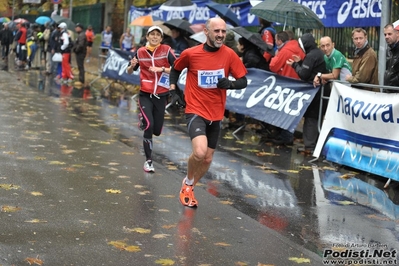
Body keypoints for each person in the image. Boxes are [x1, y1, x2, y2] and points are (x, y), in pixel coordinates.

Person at [169, 17, 248, 208]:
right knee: (200, 152)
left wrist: (230, 83)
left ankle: (189, 188)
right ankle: (188, 181)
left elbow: (243, 80)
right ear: (206, 32)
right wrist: (174, 90)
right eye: (217, 31)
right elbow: (175, 69)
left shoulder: (229, 55)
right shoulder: (191, 53)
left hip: (216, 113)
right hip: (195, 109)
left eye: (223, 31)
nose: (220, 35)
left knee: (208, 158)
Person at [126, 26, 177, 173]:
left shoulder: (166, 50)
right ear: (147, 37)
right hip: (145, 94)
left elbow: (178, 68)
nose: (154, 37)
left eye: (157, 35)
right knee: (148, 127)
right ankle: (148, 161)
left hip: (161, 95)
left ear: (161, 39)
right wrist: (132, 66)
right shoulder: (140, 52)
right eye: (152, 34)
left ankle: (145, 120)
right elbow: (129, 70)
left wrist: (161, 69)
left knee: (157, 130)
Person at [286, 33, 327, 154]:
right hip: (321, 91)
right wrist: (301, 62)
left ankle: (309, 147)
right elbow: (311, 70)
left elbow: (304, 74)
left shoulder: (311, 56)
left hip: (315, 92)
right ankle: (315, 145)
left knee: (311, 118)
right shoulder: (317, 53)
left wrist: (294, 65)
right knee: (316, 118)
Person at [268, 31, 305, 146]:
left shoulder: (284, 51)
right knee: (291, 112)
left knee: (283, 112)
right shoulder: (299, 49)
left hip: (285, 84)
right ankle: (285, 135)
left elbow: (273, 67)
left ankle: (285, 137)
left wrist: (276, 55)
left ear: (280, 41)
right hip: (297, 84)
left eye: (275, 40)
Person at [383, 21, 399, 91]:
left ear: (397, 33)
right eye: (385, 34)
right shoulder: (390, 50)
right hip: (389, 92)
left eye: (389, 34)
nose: (386, 37)